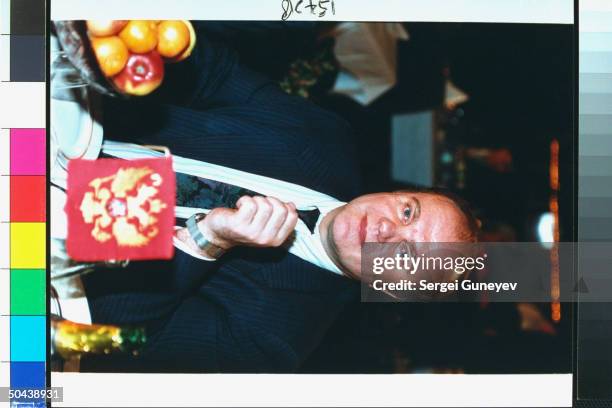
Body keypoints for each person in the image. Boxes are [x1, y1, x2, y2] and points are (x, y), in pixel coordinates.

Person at [72, 27, 477, 373]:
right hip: (66, 121)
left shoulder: (277, 338)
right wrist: (149, 45)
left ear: (392, 292)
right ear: (400, 191)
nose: (388, 227)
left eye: (406, 255)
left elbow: (120, 336)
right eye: (407, 210)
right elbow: (214, 74)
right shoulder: (326, 139)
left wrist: (207, 240)